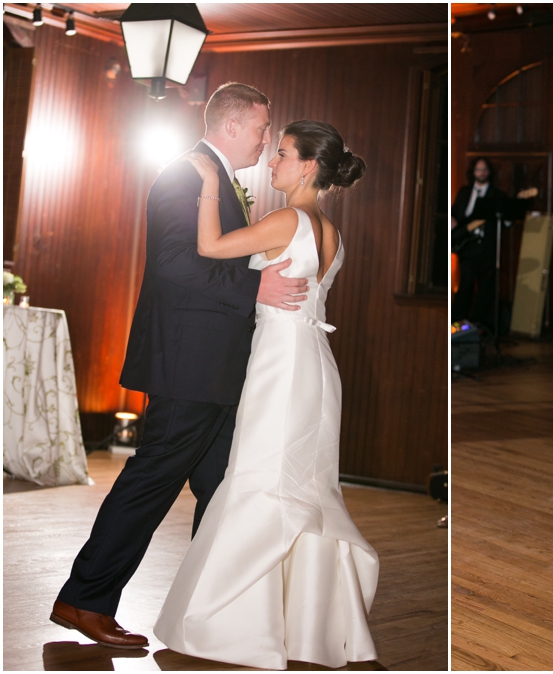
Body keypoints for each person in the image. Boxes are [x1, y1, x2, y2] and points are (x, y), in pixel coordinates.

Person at [51, 83, 306, 649]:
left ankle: (207, 611)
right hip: (189, 363)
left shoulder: (214, 179)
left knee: (221, 490)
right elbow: (171, 263)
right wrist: (254, 288)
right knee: (151, 481)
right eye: (263, 129)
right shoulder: (183, 174)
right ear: (233, 126)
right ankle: (83, 598)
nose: (267, 139)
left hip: (214, 366)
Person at [153, 121, 376, 670]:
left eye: (281, 154)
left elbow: (208, 247)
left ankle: (240, 624)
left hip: (280, 365)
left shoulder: (286, 219)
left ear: (306, 167)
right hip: (316, 367)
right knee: (304, 485)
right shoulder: (331, 232)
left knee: (264, 482)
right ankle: (311, 623)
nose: (272, 163)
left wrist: (207, 179)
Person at [450, 157, 536, 330]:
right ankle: (456, 324)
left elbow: (506, 222)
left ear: (489, 172)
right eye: (478, 169)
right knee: (464, 286)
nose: (481, 173)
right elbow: (455, 213)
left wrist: (512, 209)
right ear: (473, 172)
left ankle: (479, 326)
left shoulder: (497, 195)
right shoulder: (464, 192)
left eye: (484, 169)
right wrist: (453, 224)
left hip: (487, 249)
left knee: (486, 289)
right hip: (466, 247)